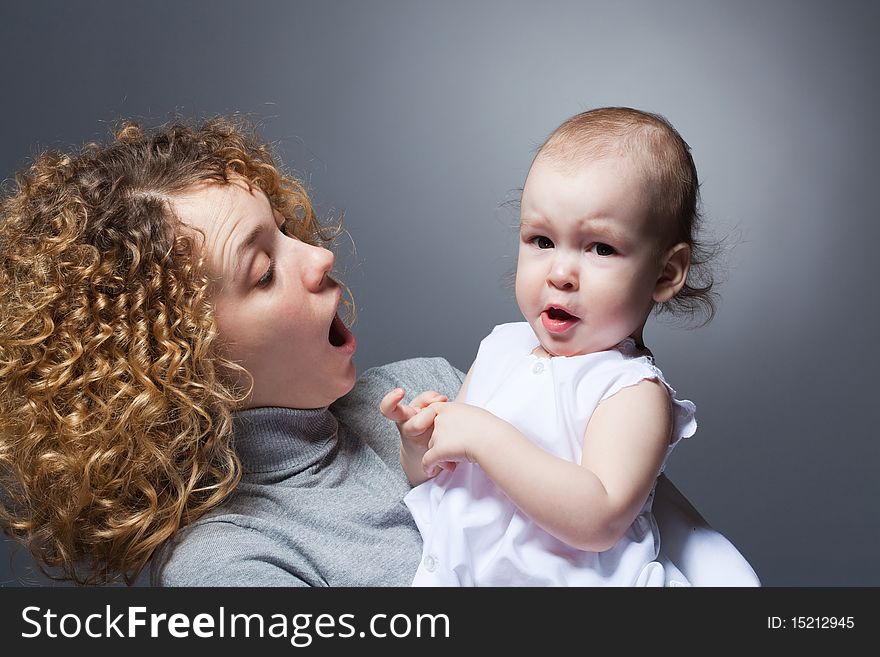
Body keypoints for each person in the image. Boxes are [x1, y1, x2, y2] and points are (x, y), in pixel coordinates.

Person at [0, 114, 751, 587]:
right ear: (181, 359)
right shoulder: (236, 566)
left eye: (289, 228)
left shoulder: (435, 387)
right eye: (264, 269)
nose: (319, 258)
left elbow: (650, 531)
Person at [382, 107, 719, 586]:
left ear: (665, 274)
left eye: (600, 248)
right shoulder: (501, 348)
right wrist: (424, 446)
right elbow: (446, 480)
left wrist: (485, 436)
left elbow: (598, 518)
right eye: (541, 240)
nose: (559, 273)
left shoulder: (630, 391)